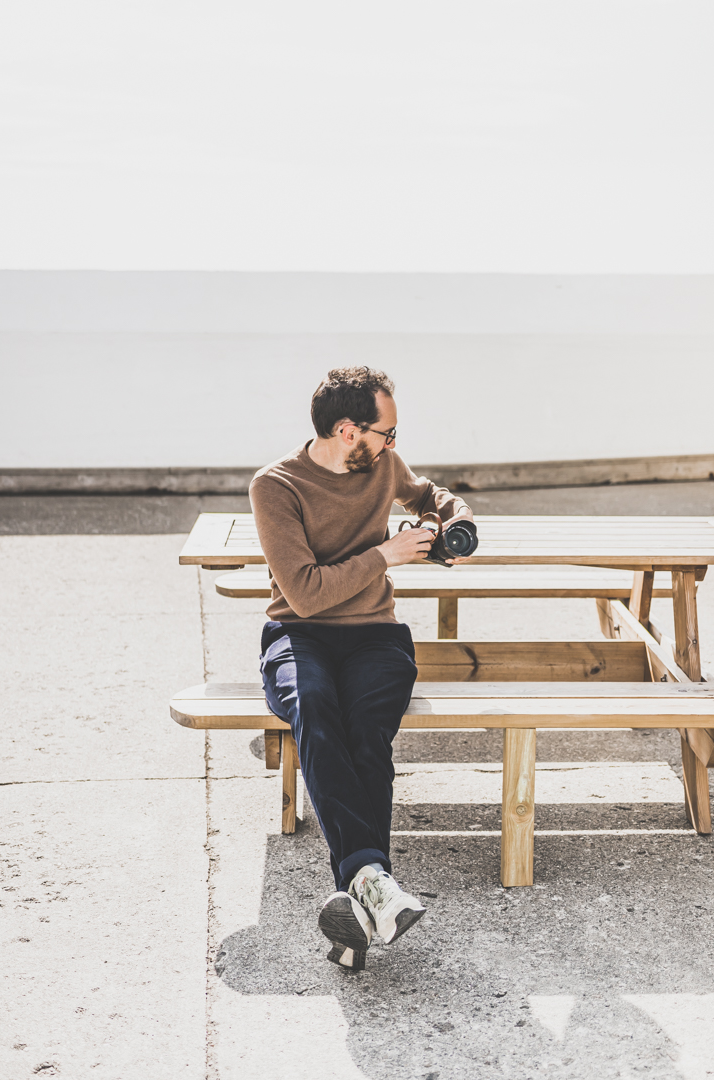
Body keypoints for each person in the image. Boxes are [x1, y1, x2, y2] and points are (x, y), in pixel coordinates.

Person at [249, 366, 474, 971]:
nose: (394, 445)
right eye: (387, 433)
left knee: (368, 729)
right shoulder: (276, 487)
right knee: (317, 711)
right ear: (349, 431)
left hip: (376, 636)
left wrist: (450, 520)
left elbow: (431, 494)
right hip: (300, 636)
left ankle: (364, 896)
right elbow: (305, 593)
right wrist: (388, 553)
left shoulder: (382, 468)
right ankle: (374, 887)